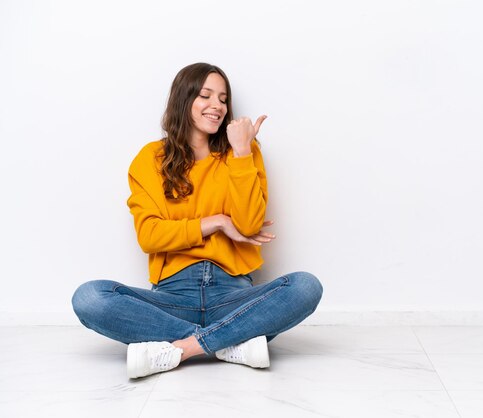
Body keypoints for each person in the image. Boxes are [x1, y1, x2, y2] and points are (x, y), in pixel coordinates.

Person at [71, 62, 323, 379]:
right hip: (171, 298)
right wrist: (215, 222)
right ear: (184, 99)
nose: (217, 106)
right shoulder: (151, 158)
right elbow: (149, 235)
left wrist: (243, 150)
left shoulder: (243, 151)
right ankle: (231, 341)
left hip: (233, 296)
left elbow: (247, 226)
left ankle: (183, 348)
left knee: (305, 287)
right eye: (206, 95)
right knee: (89, 297)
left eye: (223, 98)